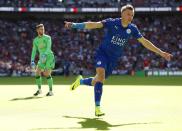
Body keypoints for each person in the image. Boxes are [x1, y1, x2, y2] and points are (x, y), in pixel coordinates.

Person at [64, 4, 172, 116]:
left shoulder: (132, 29)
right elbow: (94, 25)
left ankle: (80, 81)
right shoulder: (112, 22)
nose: (131, 17)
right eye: (128, 14)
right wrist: (75, 25)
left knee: (96, 81)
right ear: (122, 14)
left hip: (113, 59)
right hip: (102, 54)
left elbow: (144, 42)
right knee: (101, 77)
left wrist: (161, 53)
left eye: (132, 15)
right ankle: (97, 108)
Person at [31, 24, 55, 96]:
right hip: (42, 58)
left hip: (49, 57)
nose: (43, 30)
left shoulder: (48, 38)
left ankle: (51, 91)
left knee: (46, 74)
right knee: (37, 72)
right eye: (41, 29)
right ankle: (39, 90)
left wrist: (44, 54)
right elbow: (34, 50)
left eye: (43, 29)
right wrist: (32, 60)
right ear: (37, 30)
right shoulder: (35, 40)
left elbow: (48, 47)